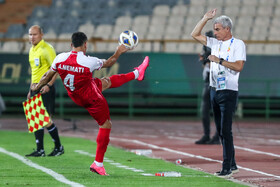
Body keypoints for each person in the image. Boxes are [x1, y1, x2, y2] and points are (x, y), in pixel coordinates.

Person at [31, 32, 150, 176]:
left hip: (75, 94)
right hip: (91, 97)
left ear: (71, 45)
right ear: (85, 44)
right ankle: (98, 164)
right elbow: (110, 62)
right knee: (106, 124)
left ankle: (137, 73)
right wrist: (118, 51)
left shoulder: (59, 58)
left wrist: (37, 87)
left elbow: (47, 75)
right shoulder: (88, 61)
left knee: (106, 81)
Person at [191, 9, 246, 178]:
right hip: (214, 90)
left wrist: (220, 60)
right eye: (214, 29)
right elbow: (194, 34)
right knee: (221, 130)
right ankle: (233, 164)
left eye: (217, 29)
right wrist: (205, 18)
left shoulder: (238, 44)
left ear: (227, 29)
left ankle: (226, 168)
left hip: (228, 91)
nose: (215, 32)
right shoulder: (214, 43)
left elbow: (238, 66)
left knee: (226, 130)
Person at [26, 25, 64, 157]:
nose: (32, 37)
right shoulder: (32, 50)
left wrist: (49, 84)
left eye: (35, 34)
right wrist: (30, 89)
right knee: (36, 118)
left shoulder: (47, 49)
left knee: (46, 119)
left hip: (45, 88)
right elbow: (34, 72)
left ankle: (59, 147)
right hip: (35, 88)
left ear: (41, 34)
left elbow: (56, 69)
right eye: (30, 34)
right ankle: (40, 150)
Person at [195, 30, 220, 145]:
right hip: (207, 81)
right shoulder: (206, 48)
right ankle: (207, 134)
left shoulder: (219, 47)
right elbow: (205, 62)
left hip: (216, 81)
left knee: (217, 110)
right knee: (204, 110)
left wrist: (208, 60)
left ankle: (217, 136)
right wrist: (204, 60)